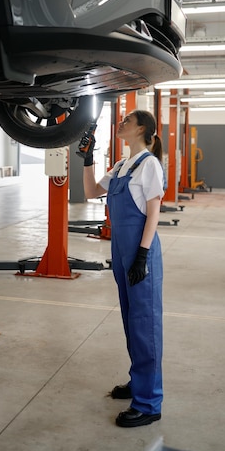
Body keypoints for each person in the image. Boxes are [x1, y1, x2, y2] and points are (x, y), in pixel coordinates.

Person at [82, 109, 164, 428]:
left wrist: (142, 256)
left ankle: (148, 402)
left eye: (127, 121)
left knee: (145, 324)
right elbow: (91, 192)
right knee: (131, 321)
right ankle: (138, 381)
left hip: (139, 251)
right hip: (120, 250)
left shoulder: (149, 164)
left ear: (142, 129)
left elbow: (153, 212)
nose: (121, 123)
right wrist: (87, 159)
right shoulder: (120, 166)